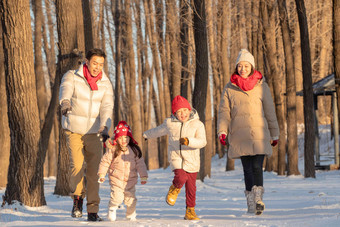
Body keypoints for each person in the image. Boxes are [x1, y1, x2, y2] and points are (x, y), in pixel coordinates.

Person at [217, 49, 279, 215]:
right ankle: (251, 202)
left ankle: (258, 198)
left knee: (257, 167)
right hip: (240, 135)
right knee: (247, 169)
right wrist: (222, 131)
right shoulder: (230, 88)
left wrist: (275, 133)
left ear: (251, 67)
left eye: (245, 65)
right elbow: (224, 112)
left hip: (259, 134)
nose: (242, 69)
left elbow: (270, 111)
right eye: (239, 65)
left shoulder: (262, 86)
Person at [59, 48, 114, 221]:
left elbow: (107, 107)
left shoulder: (105, 83)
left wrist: (105, 126)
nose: (97, 67)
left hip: (94, 131)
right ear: (87, 62)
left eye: (101, 64)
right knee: (76, 165)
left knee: (94, 172)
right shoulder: (72, 76)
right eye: (95, 63)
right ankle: (77, 199)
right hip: (74, 128)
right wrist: (65, 102)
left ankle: (92, 211)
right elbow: (65, 88)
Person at [143, 95, 207, 220]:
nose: (182, 114)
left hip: (192, 160)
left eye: (184, 110)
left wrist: (189, 141)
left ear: (190, 110)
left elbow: (202, 142)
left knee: (191, 187)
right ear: (174, 113)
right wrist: (146, 135)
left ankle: (190, 211)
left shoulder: (198, 124)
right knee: (181, 177)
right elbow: (158, 130)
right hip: (176, 157)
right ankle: (174, 188)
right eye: (179, 112)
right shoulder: (170, 123)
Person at [97, 121, 148, 221]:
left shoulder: (134, 150)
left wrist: (143, 176)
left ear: (130, 138)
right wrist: (102, 174)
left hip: (130, 180)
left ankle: (131, 215)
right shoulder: (113, 149)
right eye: (120, 137)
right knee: (117, 198)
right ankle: (112, 208)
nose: (124, 140)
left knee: (131, 200)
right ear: (117, 138)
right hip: (116, 180)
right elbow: (105, 161)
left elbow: (140, 164)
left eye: (126, 137)